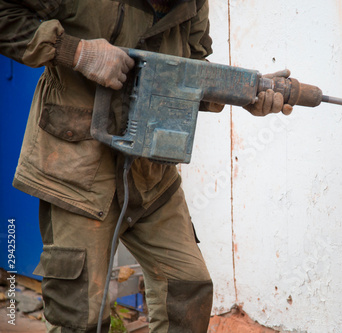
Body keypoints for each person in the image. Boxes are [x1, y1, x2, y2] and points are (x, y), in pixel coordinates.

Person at [0, 0, 292, 332]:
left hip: (151, 174)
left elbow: (191, 72)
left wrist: (246, 94)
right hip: (76, 170)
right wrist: (76, 53)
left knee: (187, 286)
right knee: (79, 313)